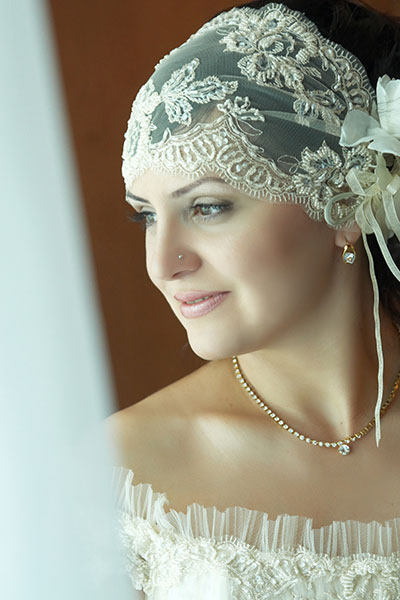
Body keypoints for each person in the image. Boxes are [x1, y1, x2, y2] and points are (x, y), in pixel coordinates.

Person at [105, 0, 400, 596]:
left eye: (208, 207)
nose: (164, 264)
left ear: (345, 202)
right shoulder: (116, 478)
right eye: (146, 217)